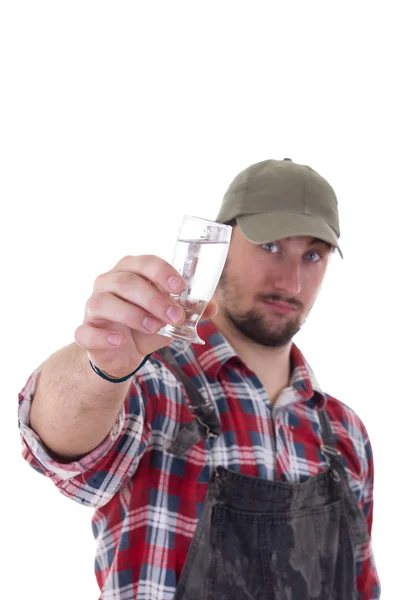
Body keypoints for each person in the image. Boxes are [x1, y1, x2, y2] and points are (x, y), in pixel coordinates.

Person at [18, 158, 381, 599]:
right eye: (270, 246)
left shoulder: (345, 434)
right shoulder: (153, 385)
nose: (291, 280)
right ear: (220, 244)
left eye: (312, 255)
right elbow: (59, 443)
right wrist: (105, 364)